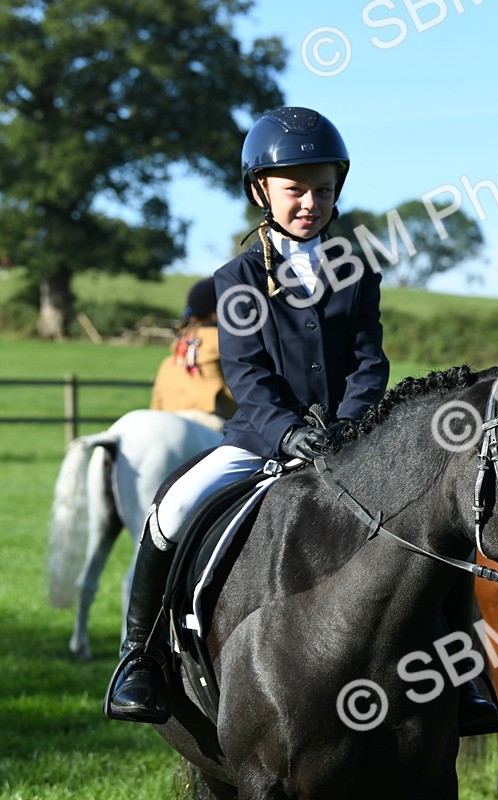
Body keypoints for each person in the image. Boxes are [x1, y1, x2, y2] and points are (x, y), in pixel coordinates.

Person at [107, 106, 394, 723]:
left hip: (352, 440)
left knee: (427, 512)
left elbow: (370, 362)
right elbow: (245, 372)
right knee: (175, 506)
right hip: (262, 440)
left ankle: (467, 674)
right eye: (295, 189)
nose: (310, 202)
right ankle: (140, 658)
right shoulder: (235, 278)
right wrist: (290, 432)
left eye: (323, 189)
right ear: (262, 190)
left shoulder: (359, 272)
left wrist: (348, 428)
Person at [149, 276, 237, 431]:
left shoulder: (177, 349)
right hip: (210, 422)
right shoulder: (227, 341)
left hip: (166, 420)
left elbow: (156, 406)